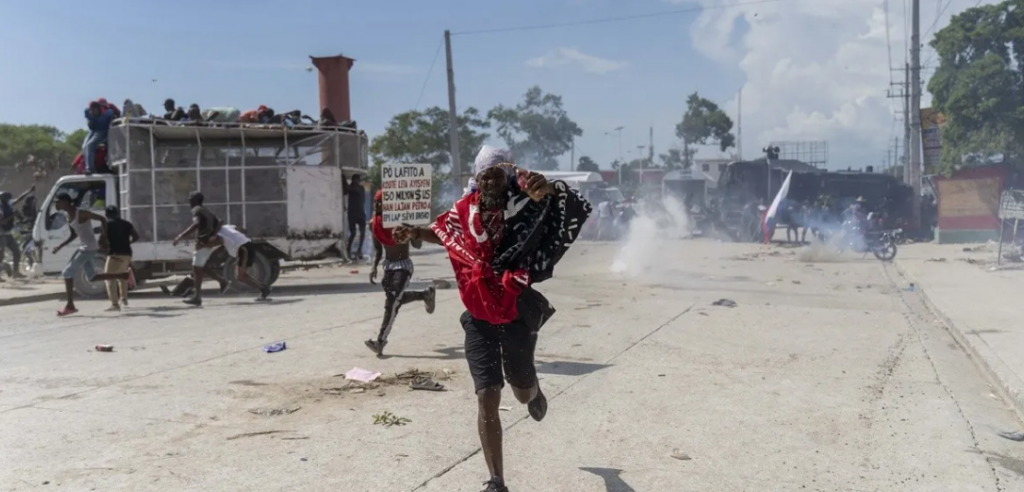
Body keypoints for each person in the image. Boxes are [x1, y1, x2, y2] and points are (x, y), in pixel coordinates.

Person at [394, 146, 592, 492]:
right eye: (484, 174)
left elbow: (555, 199)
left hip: (514, 312)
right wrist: (414, 232)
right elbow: (440, 232)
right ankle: (497, 481)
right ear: (476, 178)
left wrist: (545, 188)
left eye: (496, 174)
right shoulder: (463, 212)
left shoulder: (524, 204)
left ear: (507, 176)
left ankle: (533, 391)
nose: (489, 180)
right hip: (478, 317)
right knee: (487, 395)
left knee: (520, 391)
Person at [364, 190, 436, 356]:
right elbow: (377, 248)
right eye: (376, 202)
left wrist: (413, 230)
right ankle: (425, 295)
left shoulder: (403, 221)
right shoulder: (372, 223)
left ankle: (380, 341)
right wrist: (374, 266)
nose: (378, 205)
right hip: (388, 267)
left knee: (391, 303)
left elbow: (417, 245)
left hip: (403, 266)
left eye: (381, 202)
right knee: (395, 299)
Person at [52, 193, 109, 316]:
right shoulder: (68, 215)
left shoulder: (81, 213)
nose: (56, 204)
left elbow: (102, 219)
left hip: (89, 248)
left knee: (67, 273)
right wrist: (60, 246)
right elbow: (74, 234)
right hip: (84, 247)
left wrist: (104, 237)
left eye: (58, 202)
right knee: (92, 277)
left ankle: (70, 306)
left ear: (65, 202)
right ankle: (124, 275)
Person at [172, 191, 229, 307]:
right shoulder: (206, 210)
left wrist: (180, 236)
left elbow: (196, 224)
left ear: (195, 200)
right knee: (201, 267)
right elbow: (220, 222)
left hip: (203, 242)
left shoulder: (196, 210)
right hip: (207, 241)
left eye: (190, 200)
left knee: (196, 268)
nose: (189, 202)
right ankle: (222, 281)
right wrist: (213, 235)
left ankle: (197, 297)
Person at [203, 224, 272, 301]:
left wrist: (203, 244)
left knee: (241, 277)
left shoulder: (217, 234)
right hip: (247, 246)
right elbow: (241, 229)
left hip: (243, 250)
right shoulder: (227, 227)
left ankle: (265, 289)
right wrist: (238, 239)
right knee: (242, 276)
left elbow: (219, 241)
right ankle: (264, 288)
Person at [89, 206, 139, 311]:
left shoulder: (106, 225)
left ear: (106, 215)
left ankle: (115, 304)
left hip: (115, 254)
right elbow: (136, 237)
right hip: (127, 254)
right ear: (117, 213)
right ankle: (124, 299)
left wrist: (101, 247)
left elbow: (102, 240)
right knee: (122, 276)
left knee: (109, 278)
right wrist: (127, 243)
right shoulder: (127, 224)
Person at [0, 187, 34, 279]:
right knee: (1, 256)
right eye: (8, 199)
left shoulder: (8, 204)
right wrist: (13, 216)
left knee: (16, 252)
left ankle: (16, 272)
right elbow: (1, 222)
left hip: (8, 233)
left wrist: (29, 191)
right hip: (1, 235)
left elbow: (19, 199)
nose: (10, 201)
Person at [83, 101, 115, 174]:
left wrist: (106, 139)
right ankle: (86, 165)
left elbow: (110, 125)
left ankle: (90, 168)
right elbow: (90, 126)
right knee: (84, 146)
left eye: (94, 110)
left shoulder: (107, 114)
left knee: (90, 145)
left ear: (98, 109)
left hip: (101, 131)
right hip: (93, 130)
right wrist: (90, 122)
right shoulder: (87, 112)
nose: (92, 112)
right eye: (91, 110)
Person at [345, 175, 367, 260]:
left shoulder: (360, 188)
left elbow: (355, 191)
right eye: (356, 180)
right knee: (353, 233)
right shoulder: (350, 188)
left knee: (363, 232)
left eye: (358, 180)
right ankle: (348, 250)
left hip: (360, 213)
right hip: (352, 214)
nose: (357, 181)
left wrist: (347, 183)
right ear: (353, 180)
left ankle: (359, 250)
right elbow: (346, 191)